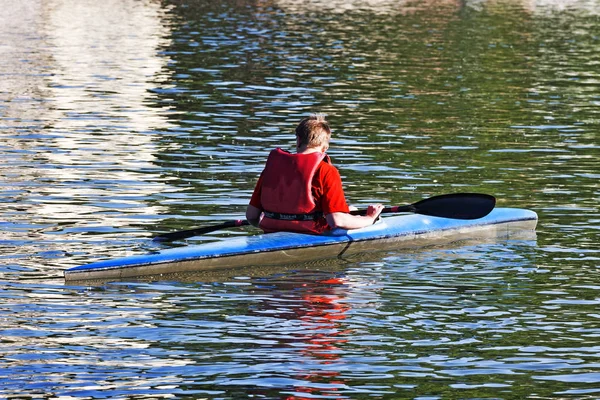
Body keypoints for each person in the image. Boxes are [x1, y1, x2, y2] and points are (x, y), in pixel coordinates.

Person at [246, 114, 384, 234]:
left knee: (351, 210)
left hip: (271, 231)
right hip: (313, 234)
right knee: (352, 212)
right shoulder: (327, 171)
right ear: (325, 147)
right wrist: (369, 218)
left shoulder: (271, 169)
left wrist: (276, 224)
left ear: (299, 140)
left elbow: (251, 216)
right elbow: (336, 220)